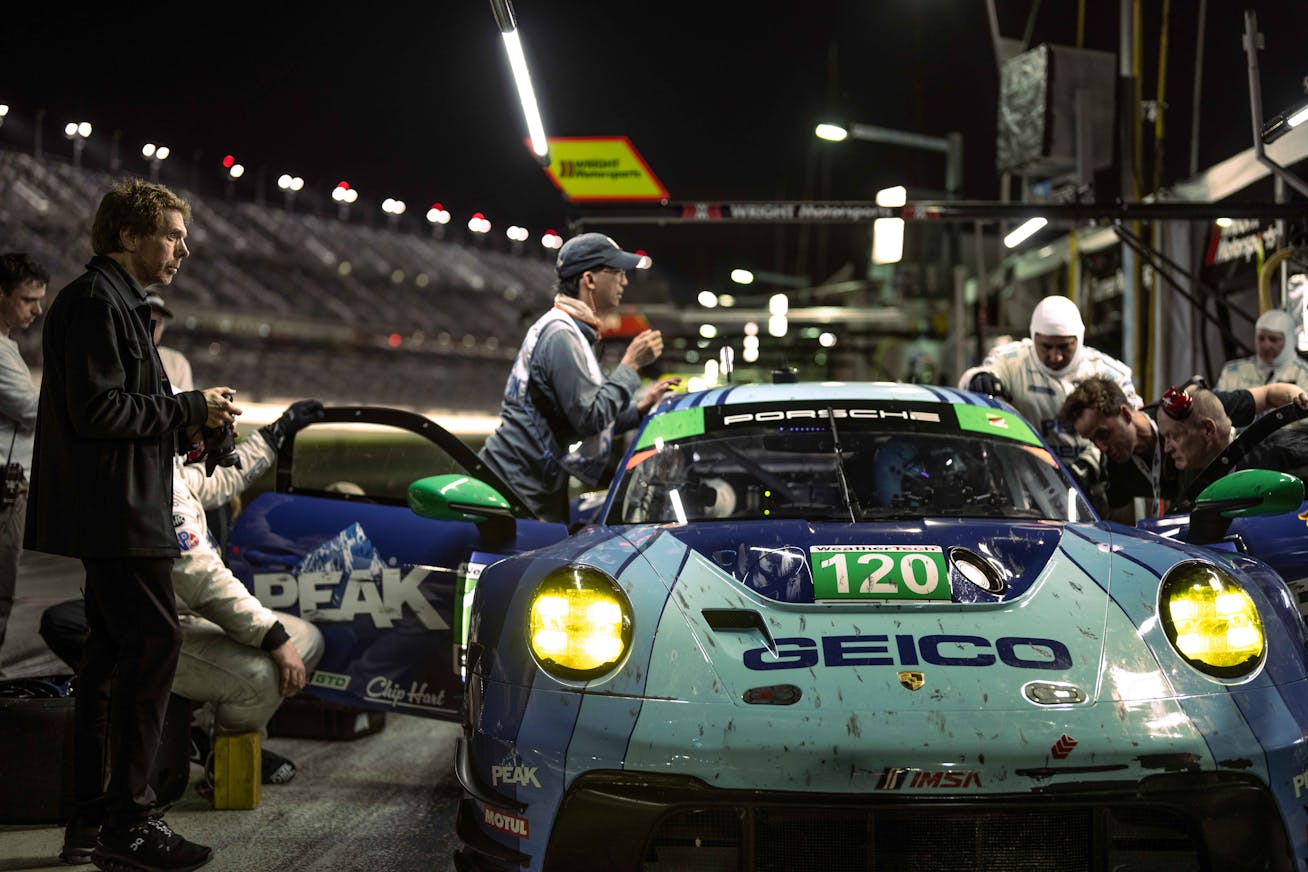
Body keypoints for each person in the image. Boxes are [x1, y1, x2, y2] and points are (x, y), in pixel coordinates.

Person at [25, 178, 240, 872]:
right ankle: (131, 822)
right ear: (127, 235)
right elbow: (101, 413)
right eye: (172, 234)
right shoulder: (95, 301)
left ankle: (89, 817)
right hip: (118, 514)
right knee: (154, 645)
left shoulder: (118, 302)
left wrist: (196, 427)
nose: (184, 247)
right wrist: (188, 407)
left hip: (123, 503)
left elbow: (128, 415)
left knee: (110, 664)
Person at [40, 401, 327, 821]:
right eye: (210, 426)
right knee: (265, 677)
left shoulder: (165, 466)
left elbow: (222, 477)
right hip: (160, 627)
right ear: (179, 428)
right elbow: (204, 579)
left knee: (308, 638)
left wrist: (274, 434)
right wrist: (273, 637)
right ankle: (215, 750)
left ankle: (202, 725)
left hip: (178, 617)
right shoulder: (158, 485)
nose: (218, 436)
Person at [480, 232, 680, 522]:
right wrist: (630, 365)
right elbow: (590, 418)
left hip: (527, 482)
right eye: (617, 272)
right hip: (518, 489)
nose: (624, 281)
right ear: (589, 280)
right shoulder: (562, 335)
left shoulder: (567, 328)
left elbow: (583, 417)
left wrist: (639, 408)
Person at [958, 295, 1141, 497]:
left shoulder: (1109, 371)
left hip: (1092, 485)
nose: (1055, 356)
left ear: (1079, 339)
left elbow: (1129, 428)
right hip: (1024, 486)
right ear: (1033, 337)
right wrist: (979, 378)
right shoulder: (1012, 360)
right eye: (1046, 346)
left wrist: (1089, 464)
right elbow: (979, 375)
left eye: (1064, 347)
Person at [1060, 376, 1308, 522]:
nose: (1101, 447)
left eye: (1103, 433)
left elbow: (1270, 393)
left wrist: (1301, 401)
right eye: (1091, 440)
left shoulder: (1187, 411)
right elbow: (1122, 531)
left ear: (1125, 413)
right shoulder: (1115, 468)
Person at [0, 253, 46, 672]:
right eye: (28, 299)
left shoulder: (7, 344)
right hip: (5, 486)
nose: (37, 309)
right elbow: (33, 409)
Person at [1157, 386, 1308, 499]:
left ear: (1209, 430)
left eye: (1174, 436)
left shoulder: (1281, 454)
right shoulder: (1190, 470)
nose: (1166, 449)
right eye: (1165, 437)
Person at [1215, 308, 1308, 393]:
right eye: (1261, 338)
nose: (1266, 345)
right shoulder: (1232, 372)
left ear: (1289, 340)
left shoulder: (1303, 375)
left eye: (1273, 339)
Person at [147, 293, 194, 392]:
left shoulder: (178, 362)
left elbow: (186, 405)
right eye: (148, 320)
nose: (153, 327)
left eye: (158, 322)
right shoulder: (122, 355)